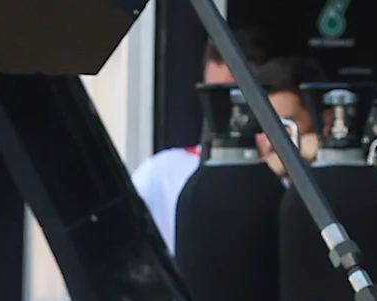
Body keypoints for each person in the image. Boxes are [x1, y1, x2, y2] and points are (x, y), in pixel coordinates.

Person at [132, 54, 310, 255]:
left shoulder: (323, 187)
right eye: (261, 125)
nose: (269, 140)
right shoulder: (164, 172)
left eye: (283, 127)